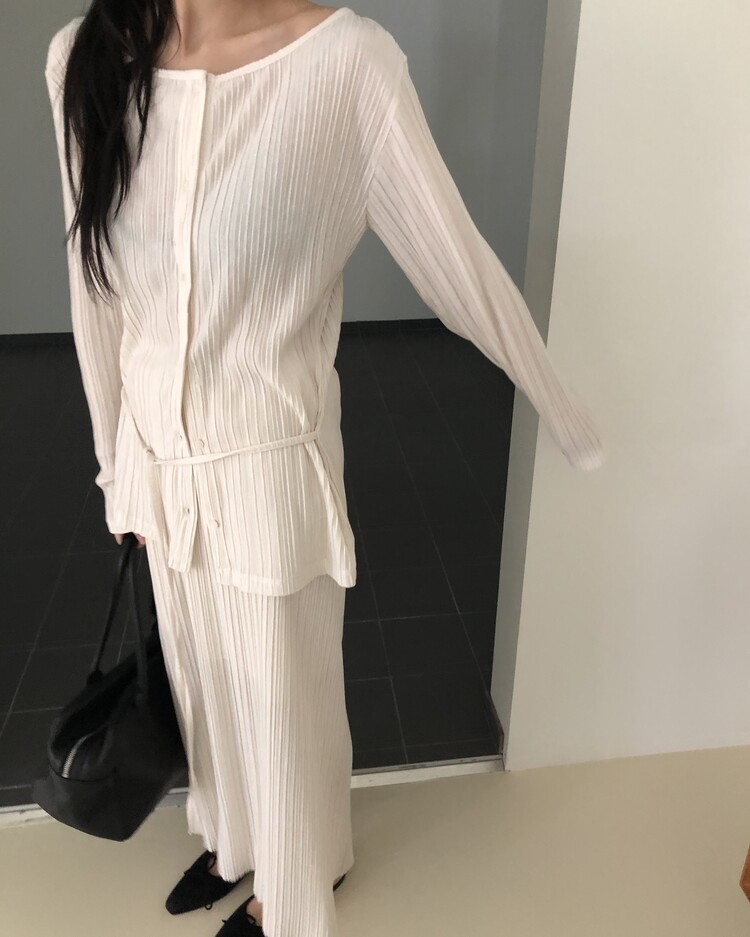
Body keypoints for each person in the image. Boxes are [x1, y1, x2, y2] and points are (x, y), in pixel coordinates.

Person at [44, 3, 607, 936]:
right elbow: (92, 290)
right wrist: (115, 467)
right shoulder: (84, 58)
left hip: (270, 467)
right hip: (157, 469)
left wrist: (564, 410)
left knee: (283, 699)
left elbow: (458, 266)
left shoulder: (345, 66)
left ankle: (296, 892)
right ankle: (235, 844)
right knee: (200, 680)